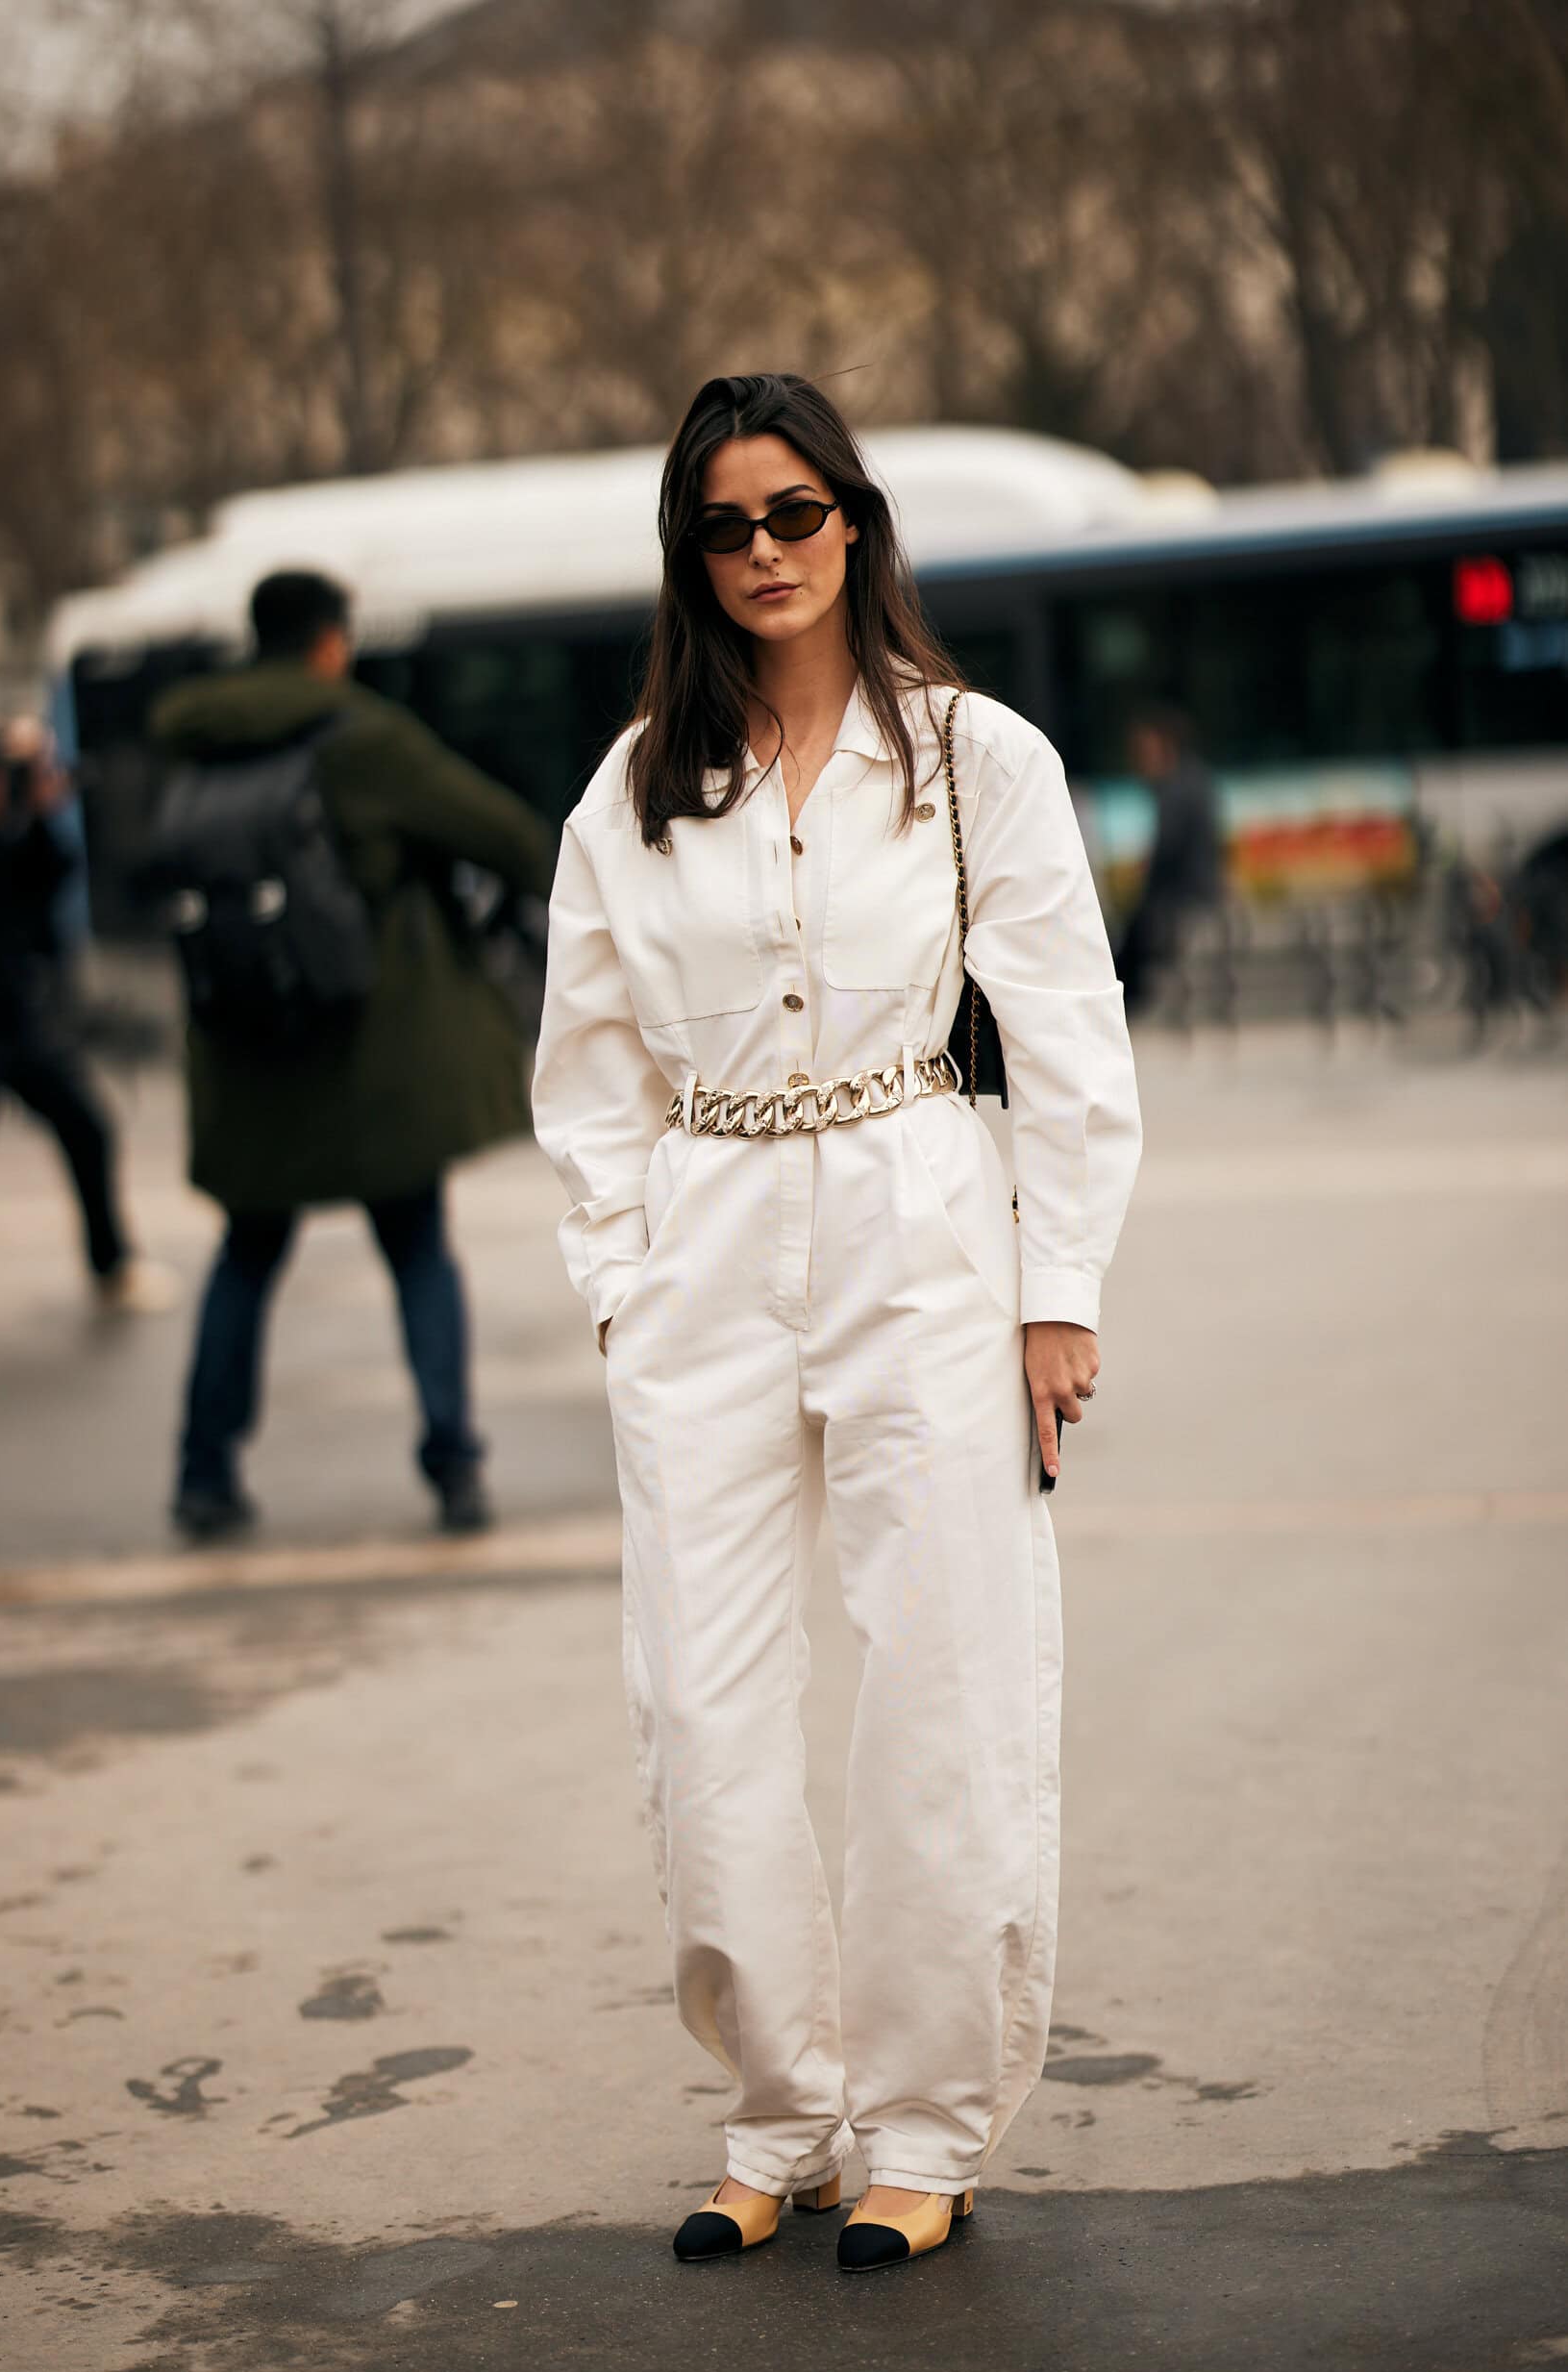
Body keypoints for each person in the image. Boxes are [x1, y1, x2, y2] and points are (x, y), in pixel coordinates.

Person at [532, 375, 1142, 2273]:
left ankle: (922, 2125)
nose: (767, 553)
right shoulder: (634, 792)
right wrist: (625, 1286)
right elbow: (585, 1069)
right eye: (726, 526)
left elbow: (1063, 1043)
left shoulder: (976, 761)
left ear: (852, 521)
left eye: (794, 512)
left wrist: (1054, 1293)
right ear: (685, 558)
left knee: (939, 1685)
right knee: (698, 1707)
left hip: (918, 1226)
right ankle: (774, 2110)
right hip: (704, 1248)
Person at [151, 570, 555, 1540]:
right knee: (415, 1245)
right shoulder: (359, 738)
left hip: (245, 1047)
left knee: (246, 1254)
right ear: (330, 643)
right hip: (368, 1052)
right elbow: (504, 833)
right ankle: (453, 1464)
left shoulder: (192, 745)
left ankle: (204, 1475)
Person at [0, 714, 177, 1312]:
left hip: (13, 1020)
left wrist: (35, 811)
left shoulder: (14, 837)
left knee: (87, 1128)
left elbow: (51, 883)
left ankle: (111, 1264)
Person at [1112, 702, 1225, 1011]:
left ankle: (1127, 1005)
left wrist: (1141, 887)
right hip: (1189, 893)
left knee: (1130, 938)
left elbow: (1168, 854)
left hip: (1183, 897)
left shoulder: (1178, 788)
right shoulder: (1193, 781)